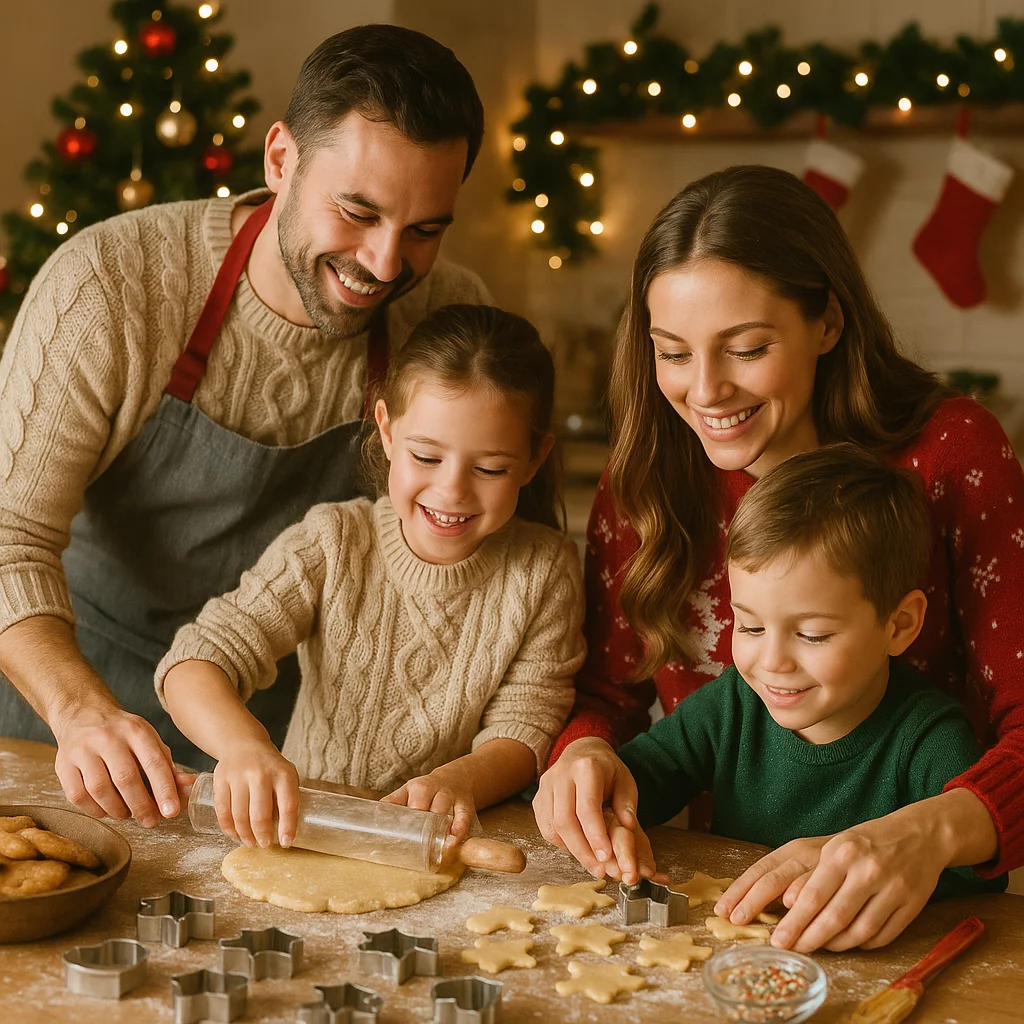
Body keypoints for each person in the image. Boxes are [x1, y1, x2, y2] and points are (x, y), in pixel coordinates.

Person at [0, 25, 490, 829]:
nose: (386, 262)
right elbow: (8, 535)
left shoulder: (449, 321)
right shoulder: (111, 285)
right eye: (357, 211)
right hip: (73, 723)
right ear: (279, 160)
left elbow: (500, 569)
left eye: (426, 229)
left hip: (283, 758)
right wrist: (77, 709)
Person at [533, 165, 1024, 953]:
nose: (705, 391)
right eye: (672, 353)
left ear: (827, 322)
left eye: (748, 348)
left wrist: (931, 831)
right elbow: (608, 695)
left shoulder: (951, 456)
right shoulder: (648, 479)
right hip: (730, 909)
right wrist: (583, 753)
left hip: (913, 925)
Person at [155, 304, 585, 847]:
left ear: (533, 458)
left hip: (440, 845)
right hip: (304, 834)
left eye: (490, 468)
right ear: (386, 431)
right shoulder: (334, 542)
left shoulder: (545, 571)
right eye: (426, 457)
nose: (452, 491)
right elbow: (195, 660)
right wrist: (244, 747)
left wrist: (458, 781)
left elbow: (526, 726)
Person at [595, 444, 1007, 908]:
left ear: (900, 625)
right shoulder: (731, 704)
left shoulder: (929, 740)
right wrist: (597, 790)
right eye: (750, 626)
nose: (772, 661)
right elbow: (637, 783)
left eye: (812, 635)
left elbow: (980, 890)